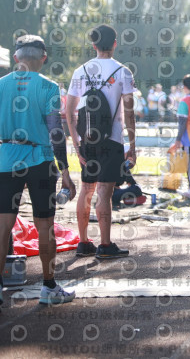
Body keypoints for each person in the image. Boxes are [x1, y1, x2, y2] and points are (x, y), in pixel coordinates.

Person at [0, 35, 77, 305]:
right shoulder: (48, 86)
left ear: (16, 58)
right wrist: (65, 171)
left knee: (3, 227)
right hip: (40, 160)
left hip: (5, 159)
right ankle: (49, 286)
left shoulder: (1, 85)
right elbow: (56, 132)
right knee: (45, 226)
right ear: (44, 58)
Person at [67, 24, 136, 259]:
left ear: (94, 45)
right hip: (112, 139)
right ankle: (105, 246)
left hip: (87, 139)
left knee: (86, 190)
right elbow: (129, 113)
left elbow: (69, 111)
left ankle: (83, 242)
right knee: (104, 192)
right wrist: (132, 146)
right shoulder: (123, 72)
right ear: (115, 43)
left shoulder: (80, 71)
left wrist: (77, 145)